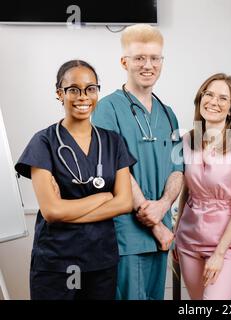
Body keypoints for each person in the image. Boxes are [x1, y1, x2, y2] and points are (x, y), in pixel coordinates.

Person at [14, 60, 136, 300]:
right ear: (60, 93)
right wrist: (103, 197)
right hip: (56, 263)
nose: (83, 96)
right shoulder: (44, 142)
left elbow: (124, 203)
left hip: (101, 261)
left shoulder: (114, 142)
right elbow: (51, 211)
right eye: (73, 89)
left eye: (91, 88)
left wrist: (69, 212)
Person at [91, 24, 183, 300]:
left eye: (155, 58)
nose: (148, 65)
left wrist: (164, 207)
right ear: (124, 62)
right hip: (128, 238)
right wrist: (154, 223)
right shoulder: (107, 109)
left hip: (163, 235)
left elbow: (178, 170)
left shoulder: (169, 114)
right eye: (140, 58)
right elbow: (118, 170)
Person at [173, 73, 231, 300]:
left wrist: (219, 254)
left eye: (222, 98)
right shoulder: (187, 141)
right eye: (208, 94)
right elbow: (186, 192)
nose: (213, 102)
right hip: (188, 242)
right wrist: (176, 234)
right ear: (200, 99)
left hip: (222, 245)